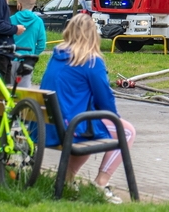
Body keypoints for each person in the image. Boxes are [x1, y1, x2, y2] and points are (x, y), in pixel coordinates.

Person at [40, 13, 136, 204]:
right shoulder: (91, 61)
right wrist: (113, 118)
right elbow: (105, 100)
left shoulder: (57, 55)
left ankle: (66, 180)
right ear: (93, 34)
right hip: (70, 126)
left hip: (46, 125)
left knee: (95, 130)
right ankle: (100, 184)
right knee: (126, 132)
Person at [9, 0, 46, 88]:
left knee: (8, 90)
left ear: (19, 5)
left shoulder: (11, 19)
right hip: (27, 61)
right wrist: (33, 54)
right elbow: (42, 45)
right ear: (34, 5)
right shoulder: (38, 22)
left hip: (11, 59)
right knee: (24, 91)